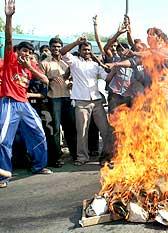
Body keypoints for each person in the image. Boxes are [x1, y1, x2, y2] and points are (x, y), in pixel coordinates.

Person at [0, 0, 53, 188]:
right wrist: (8, 17)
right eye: (24, 50)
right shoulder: (10, 60)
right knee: (3, 138)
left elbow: (46, 81)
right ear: (17, 51)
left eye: (30, 52)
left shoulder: (30, 67)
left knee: (39, 133)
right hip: (8, 103)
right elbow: (8, 39)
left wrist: (29, 65)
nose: (27, 53)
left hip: (24, 104)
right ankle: (3, 175)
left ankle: (39, 166)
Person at [60, 36, 114, 165]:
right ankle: (82, 157)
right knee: (82, 131)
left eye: (89, 50)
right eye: (84, 49)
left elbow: (106, 78)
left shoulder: (95, 65)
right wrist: (76, 42)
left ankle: (107, 157)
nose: (87, 52)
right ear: (79, 50)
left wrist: (115, 68)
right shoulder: (74, 62)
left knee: (105, 130)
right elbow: (62, 52)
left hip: (97, 101)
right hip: (81, 102)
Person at [41, 37, 77, 167]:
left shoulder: (67, 63)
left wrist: (71, 82)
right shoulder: (45, 63)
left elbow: (72, 77)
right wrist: (51, 79)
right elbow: (41, 81)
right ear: (50, 48)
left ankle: (75, 155)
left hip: (67, 97)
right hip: (54, 99)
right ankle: (56, 158)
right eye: (54, 47)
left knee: (71, 128)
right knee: (55, 130)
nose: (56, 49)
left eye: (58, 46)